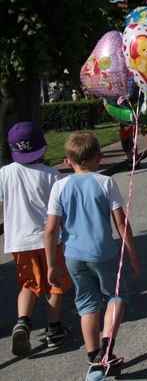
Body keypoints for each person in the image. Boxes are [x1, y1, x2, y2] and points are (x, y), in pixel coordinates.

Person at [44, 132, 140, 378]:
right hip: (103, 252)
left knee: (86, 304)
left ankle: (93, 357)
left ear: (67, 161)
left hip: (73, 254)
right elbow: (121, 223)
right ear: (100, 157)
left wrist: (51, 264)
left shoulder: (60, 186)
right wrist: (131, 254)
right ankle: (106, 348)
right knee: (116, 295)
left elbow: (51, 229)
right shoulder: (105, 183)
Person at [1, 122, 72, 356]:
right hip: (51, 240)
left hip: (19, 241)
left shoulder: (4, 174)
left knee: (28, 284)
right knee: (55, 284)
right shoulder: (52, 176)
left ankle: (23, 321)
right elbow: (61, 212)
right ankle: (54, 329)